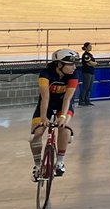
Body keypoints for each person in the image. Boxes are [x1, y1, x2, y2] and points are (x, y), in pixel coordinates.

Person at [29, 49, 80, 180]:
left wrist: (62, 117)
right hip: (47, 104)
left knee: (64, 128)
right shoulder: (45, 74)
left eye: (75, 64)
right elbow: (45, 97)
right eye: (71, 64)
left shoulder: (73, 75)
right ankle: (37, 165)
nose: (75, 67)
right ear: (59, 65)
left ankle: (60, 162)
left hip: (63, 105)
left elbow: (67, 99)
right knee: (37, 134)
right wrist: (43, 117)